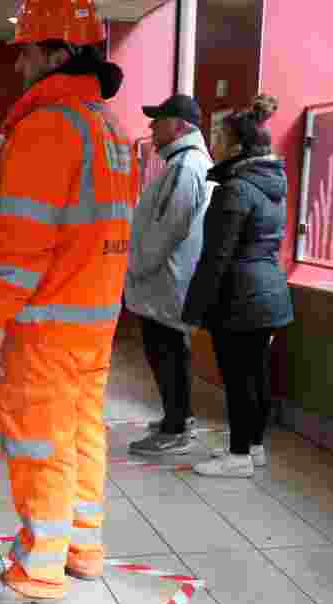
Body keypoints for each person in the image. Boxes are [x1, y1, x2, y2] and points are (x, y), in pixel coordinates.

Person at [0, 0, 139, 604]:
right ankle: (81, 548)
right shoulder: (109, 129)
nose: (20, 64)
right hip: (94, 321)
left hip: (44, 322)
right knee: (82, 434)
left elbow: (22, 237)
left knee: (40, 441)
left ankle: (37, 572)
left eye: (27, 51)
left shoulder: (48, 126)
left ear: (57, 54)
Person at [183, 95, 293, 477]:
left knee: (237, 377)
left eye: (218, 136)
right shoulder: (273, 182)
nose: (212, 143)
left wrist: (194, 310)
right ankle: (254, 446)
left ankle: (238, 455)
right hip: (270, 294)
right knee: (255, 374)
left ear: (236, 146)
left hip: (240, 297)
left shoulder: (235, 190)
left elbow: (217, 256)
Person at [124, 95, 215, 456]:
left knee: (167, 352)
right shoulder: (184, 163)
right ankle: (176, 419)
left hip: (165, 279)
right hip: (165, 279)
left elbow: (167, 229)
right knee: (168, 351)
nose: (151, 127)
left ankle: (176, 428)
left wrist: (136, 266)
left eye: (158, 120)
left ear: (180, 127)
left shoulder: (186, 167)